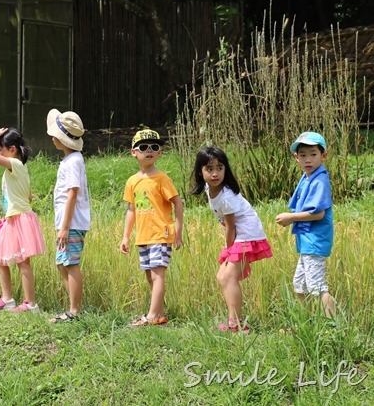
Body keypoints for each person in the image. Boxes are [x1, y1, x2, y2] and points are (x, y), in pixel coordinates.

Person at [190, 147, 273, 333]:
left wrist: (229, 250)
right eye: (209, 169)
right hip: (239, 233)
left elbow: (231, 227)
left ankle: (236, 323)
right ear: (200, 171)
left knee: (229, 276)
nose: (215, 173)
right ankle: (234, 321)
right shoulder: (208, 188)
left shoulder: (227, 196)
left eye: (220, 168)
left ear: (226, 169)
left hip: (246, 233)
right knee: (222, 276)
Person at [120, 129, 183, 327]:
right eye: (144, 147)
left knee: (158, 274)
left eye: (154, 147)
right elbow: (131, 210)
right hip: (144, 236)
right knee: (150, 276)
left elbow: (178, 203)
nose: (149, 150)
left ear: (159, 153)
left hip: (161, 233)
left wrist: (177, 232)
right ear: (134, 152)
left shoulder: (162, 178)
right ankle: (160, 315)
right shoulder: (132, 181)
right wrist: (126, 236)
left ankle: (151, 316)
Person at [0, 128, 46, 314]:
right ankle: (7, 299)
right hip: (14, 218)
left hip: (20, 219)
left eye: (1, 149)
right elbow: (29, 196)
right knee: (0, 259)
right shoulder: (19, 168)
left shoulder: (15, 164)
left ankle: (31, 304)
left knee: (23, 263)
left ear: (11, 150)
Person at [275, 131, 336, 318]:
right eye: (303, 155)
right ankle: (305, 324)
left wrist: (291, 218)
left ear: (323, 155)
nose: (308, 159)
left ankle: (333, 328)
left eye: (313, 154)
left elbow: (318, 213)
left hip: (315, 241)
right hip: (307, 241)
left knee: (317, 287)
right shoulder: (308, 176)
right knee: (300, 284)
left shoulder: (319, 180)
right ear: (296, 157)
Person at [46, 110, 90, 323]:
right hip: (67, 222)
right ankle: (73, 308)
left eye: (55, 134)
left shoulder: (73, 161)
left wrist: (64, 227)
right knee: (62, 263)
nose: (52, 138)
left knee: (70, 263)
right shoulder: (70, 160)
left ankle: (75, 311)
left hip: (71, 222)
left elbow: (73, 192)